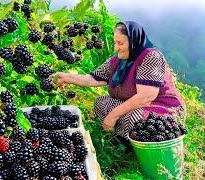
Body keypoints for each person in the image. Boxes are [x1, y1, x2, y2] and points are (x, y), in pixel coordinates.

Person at [52, 21, 186, 144]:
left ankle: (138, 145)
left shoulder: (150, 57)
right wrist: (66, 77)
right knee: (101, 103)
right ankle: (123, 139)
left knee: (133, 117)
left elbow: (146, 97)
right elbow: (92, 78)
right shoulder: (118, 60)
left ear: (133, 42)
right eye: (115, 42)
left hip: (162, 109)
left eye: (120, 43)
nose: (116, 48)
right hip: (139, 106)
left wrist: (112, 116)